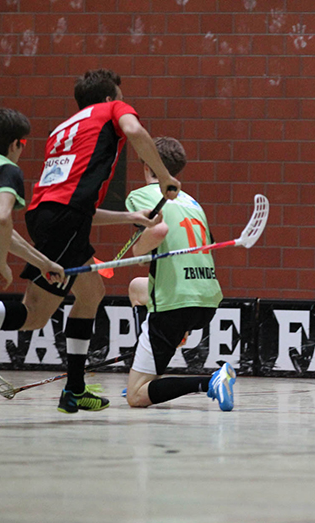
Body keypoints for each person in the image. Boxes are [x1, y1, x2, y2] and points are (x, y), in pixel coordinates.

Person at [0, 69, 182, 414]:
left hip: (52, 215)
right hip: (63, 220)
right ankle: (70, 388)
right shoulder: (112, 110)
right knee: (34, 315)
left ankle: (74, 388)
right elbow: (135, 131)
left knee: (91, 292)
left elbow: (74, 205)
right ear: (109, 98)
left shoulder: (62, 130)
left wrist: (130, 217)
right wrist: (164, 176)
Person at [123, 137, 234, 412]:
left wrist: (138, 250)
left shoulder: (140, 195)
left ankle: (209, 381)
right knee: (137, 288)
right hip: (206, 300)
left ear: (147, 165)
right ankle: (147, 370)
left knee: (136, 397)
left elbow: (156, 234)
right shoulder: (192, 202)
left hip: (174, 305)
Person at [0, 108, 66, 289]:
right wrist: (1, 263)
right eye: (23, 143)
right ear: (14, 144)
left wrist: (44, 264)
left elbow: (2, 231)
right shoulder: (6, 168)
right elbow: (2, 218)